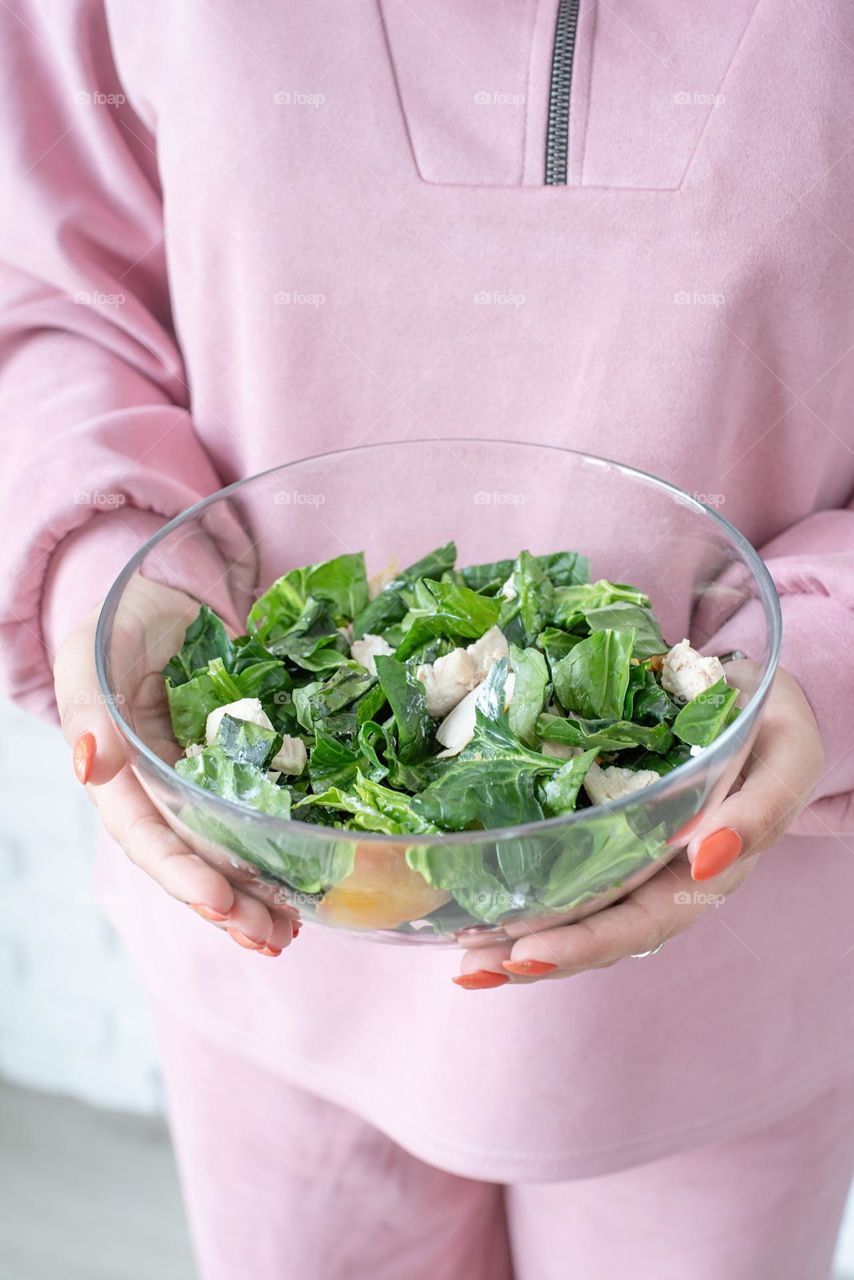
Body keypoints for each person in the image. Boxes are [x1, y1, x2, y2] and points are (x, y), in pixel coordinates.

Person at [2, 4, 854, 1277]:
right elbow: (44, 289)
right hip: (265, 902)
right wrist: (109, 571)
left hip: (727, 944)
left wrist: (822, 658)